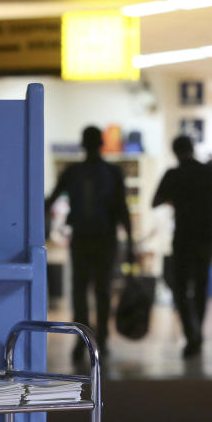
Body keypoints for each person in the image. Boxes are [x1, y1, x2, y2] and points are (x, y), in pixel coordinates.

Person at [46, 126, 134, 361]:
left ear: (83, 144)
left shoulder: (74, 172)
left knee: (82, 289)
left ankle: (85, 339)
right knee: (100, 289)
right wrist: (131, 242)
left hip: (86, 238)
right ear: (101, 144)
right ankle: (99, 339)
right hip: (103, 239)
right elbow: (122, 209)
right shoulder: (111, 172)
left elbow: (50, 200)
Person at [152, 135, 212, 358]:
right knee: (200, 285)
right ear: (192, 149)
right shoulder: (208, 170)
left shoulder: (173, 174)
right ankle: (198, 332)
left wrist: (176, 198)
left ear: (175, 152)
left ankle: (191, 333)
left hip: (184, 236)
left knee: (180, 286)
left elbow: (155, 201)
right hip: (206, 236)